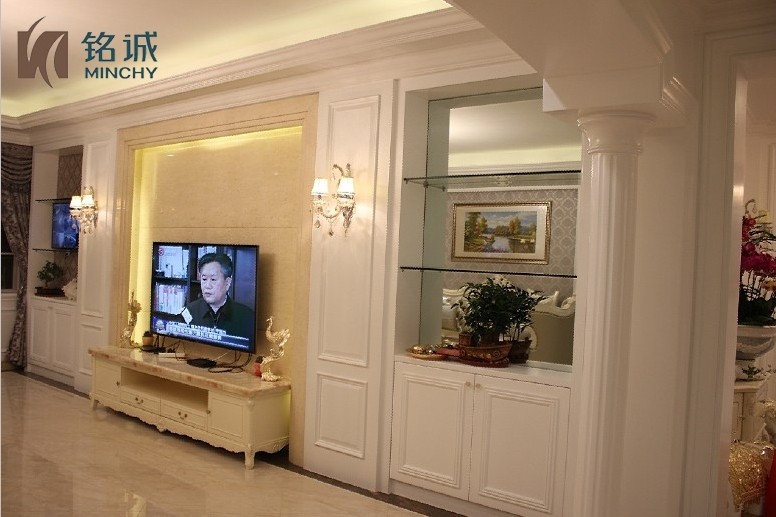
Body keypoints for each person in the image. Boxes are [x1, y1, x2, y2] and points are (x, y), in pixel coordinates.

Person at [179, 252, 254, 343]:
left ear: (227, 282)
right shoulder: (188, 312)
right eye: (204, 279)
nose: (207, 286)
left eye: (213, 279)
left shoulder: (247, 317)